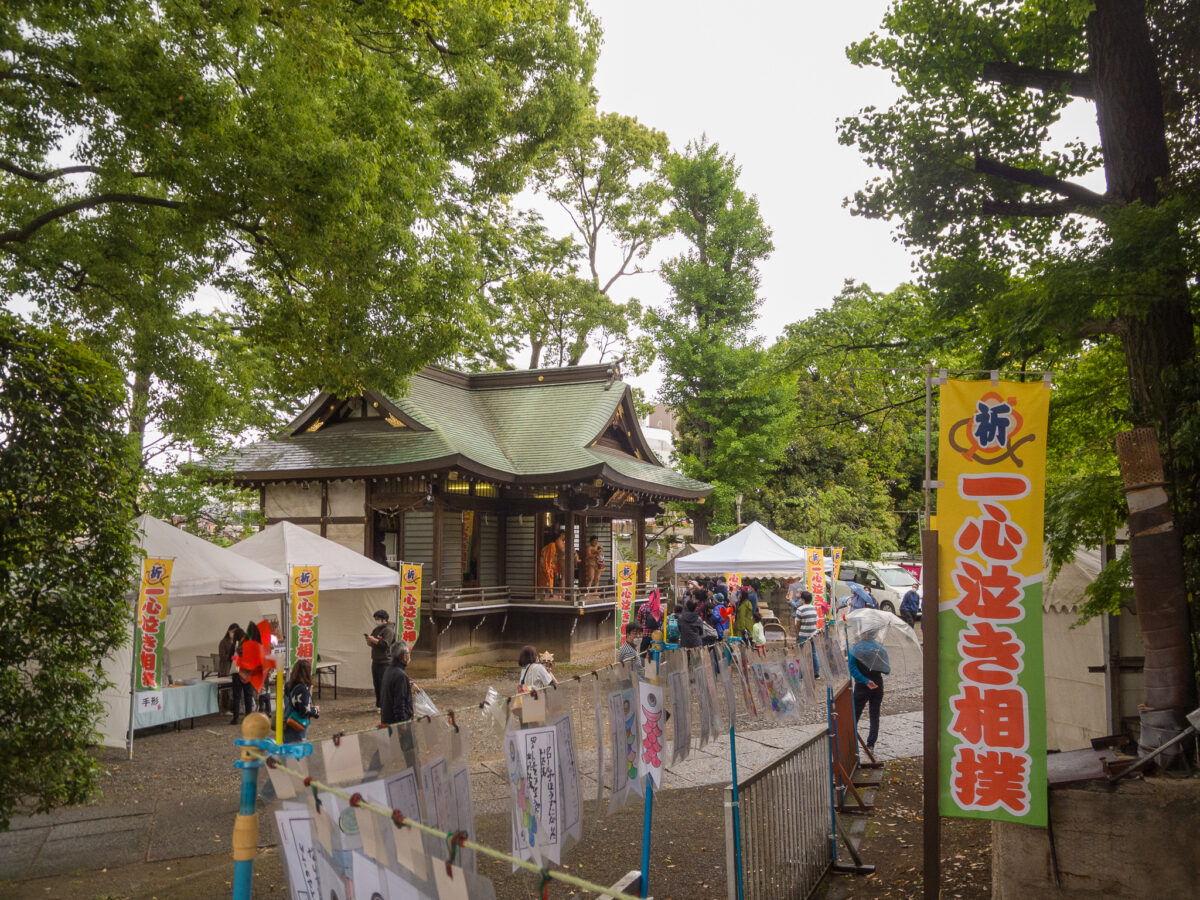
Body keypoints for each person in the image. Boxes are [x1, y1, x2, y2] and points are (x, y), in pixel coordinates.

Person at [849, 639, 885, 752]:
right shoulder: (879, 648)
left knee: (854, 715)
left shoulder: (855, 648)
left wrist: (865, 680)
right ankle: (871, 745)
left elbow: (852, 668)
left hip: (862, 686)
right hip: (877, 684)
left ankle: (851, 743)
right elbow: (887, 669)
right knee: (875, 716)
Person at [364, 609, 397, 710]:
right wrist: (369, 641)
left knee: (384, 685)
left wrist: (374, 640)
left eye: (378, 619)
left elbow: (385, 645)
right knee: (377, 684)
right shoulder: (376, 629)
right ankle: (379, 705)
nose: (376, 621)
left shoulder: (389, 630)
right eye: (375, 619)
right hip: (376, 661)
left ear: (384, 619)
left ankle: (386, 706)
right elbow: (373, 643)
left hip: (385, 662)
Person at [283, 659, 319, 743]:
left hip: (286, 724)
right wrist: (315, 710)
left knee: (287, 747)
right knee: (296, 749)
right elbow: (304, 711)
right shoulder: (302, 689)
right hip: (296, 727)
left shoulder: (288, 685)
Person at [228, 625, 256, 725]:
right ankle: (248, 718)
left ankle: (235, 718)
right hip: (248, 673)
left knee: (237, 696)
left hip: (237, 673)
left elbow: (229, 658)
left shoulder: (234, 645)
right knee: (248, 696)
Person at [380, 644, 414, 725]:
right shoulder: (400, 675)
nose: (409, 656)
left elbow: (392, 691)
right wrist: (402, 723)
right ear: (405, 657)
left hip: (387, 718)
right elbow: (399, 702)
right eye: (409, 653)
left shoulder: (388, 670)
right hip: (396, 722)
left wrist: (406, 686)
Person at [794, 590, 820, 677]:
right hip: (813, 634)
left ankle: (801, 674)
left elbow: (797, 625)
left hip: (803, 635)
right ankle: (816, 674)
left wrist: (797, 635)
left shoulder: (800, 609)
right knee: (814, 653)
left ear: (803, 599)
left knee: (802, 654)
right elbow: (815, 620)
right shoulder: (814, 608)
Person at [538, 533, 566, 599]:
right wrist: (552, 563)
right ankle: (550, 593)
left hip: (543, 563)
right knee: (549, 578)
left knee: (544, 579)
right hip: (548, 563)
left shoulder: (547, 547)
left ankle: (545, 593)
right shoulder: (553, 545)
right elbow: (552, 556)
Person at [636, 588, 664, 654]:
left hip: (645, 634)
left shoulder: (643, 607)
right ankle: (652, 661)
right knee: (654, 654)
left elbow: (638, 620)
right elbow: (662, 621)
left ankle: (643, 661)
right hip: (656, 636)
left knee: (642, 653)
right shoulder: (661, 608)